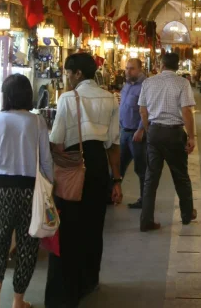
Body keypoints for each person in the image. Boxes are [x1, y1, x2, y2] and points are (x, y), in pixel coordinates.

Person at [46, 53, 122, 307]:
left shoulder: (68, 99)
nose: (67, 77)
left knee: (68, 227)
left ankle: (68, 288)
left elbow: (56, 140)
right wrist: (117, 180)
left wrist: (53, 173)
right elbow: (113, 144)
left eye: (68, 73)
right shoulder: (110, 98)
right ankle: (89, 279)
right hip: (98, 164)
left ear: (78, 74)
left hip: (73, 165)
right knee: (93, 224)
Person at [0, 74, 53, 308]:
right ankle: (18, 300)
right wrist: (50, 191)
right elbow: (47, 161)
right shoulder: (37, 121)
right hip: (30, 191)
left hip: (1, 189)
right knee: (28, 245)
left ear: (6, 95)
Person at [139, 52, 197, 232]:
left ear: (161, 65)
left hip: (155, 132)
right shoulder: (182, 83)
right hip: (174, 134)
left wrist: (150, 131)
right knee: (180, 175)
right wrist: (192, 136)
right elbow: (186, 111)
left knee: (151, 178)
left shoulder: (148, 82)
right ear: (177, 66)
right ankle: (187, 215)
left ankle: (146, 220)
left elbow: (142, 111)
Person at [119, 58, 147, 209]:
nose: (128, 71)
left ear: (140, 69)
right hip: (124, 132)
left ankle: (144, 200)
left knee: (141, 169)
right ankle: (112, 194)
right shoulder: (127, 85)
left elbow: (146, 110)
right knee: (118, 166)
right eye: (127, 68)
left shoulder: (145, 86)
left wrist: (141, 129)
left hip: (137, 135)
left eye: (132, 69)